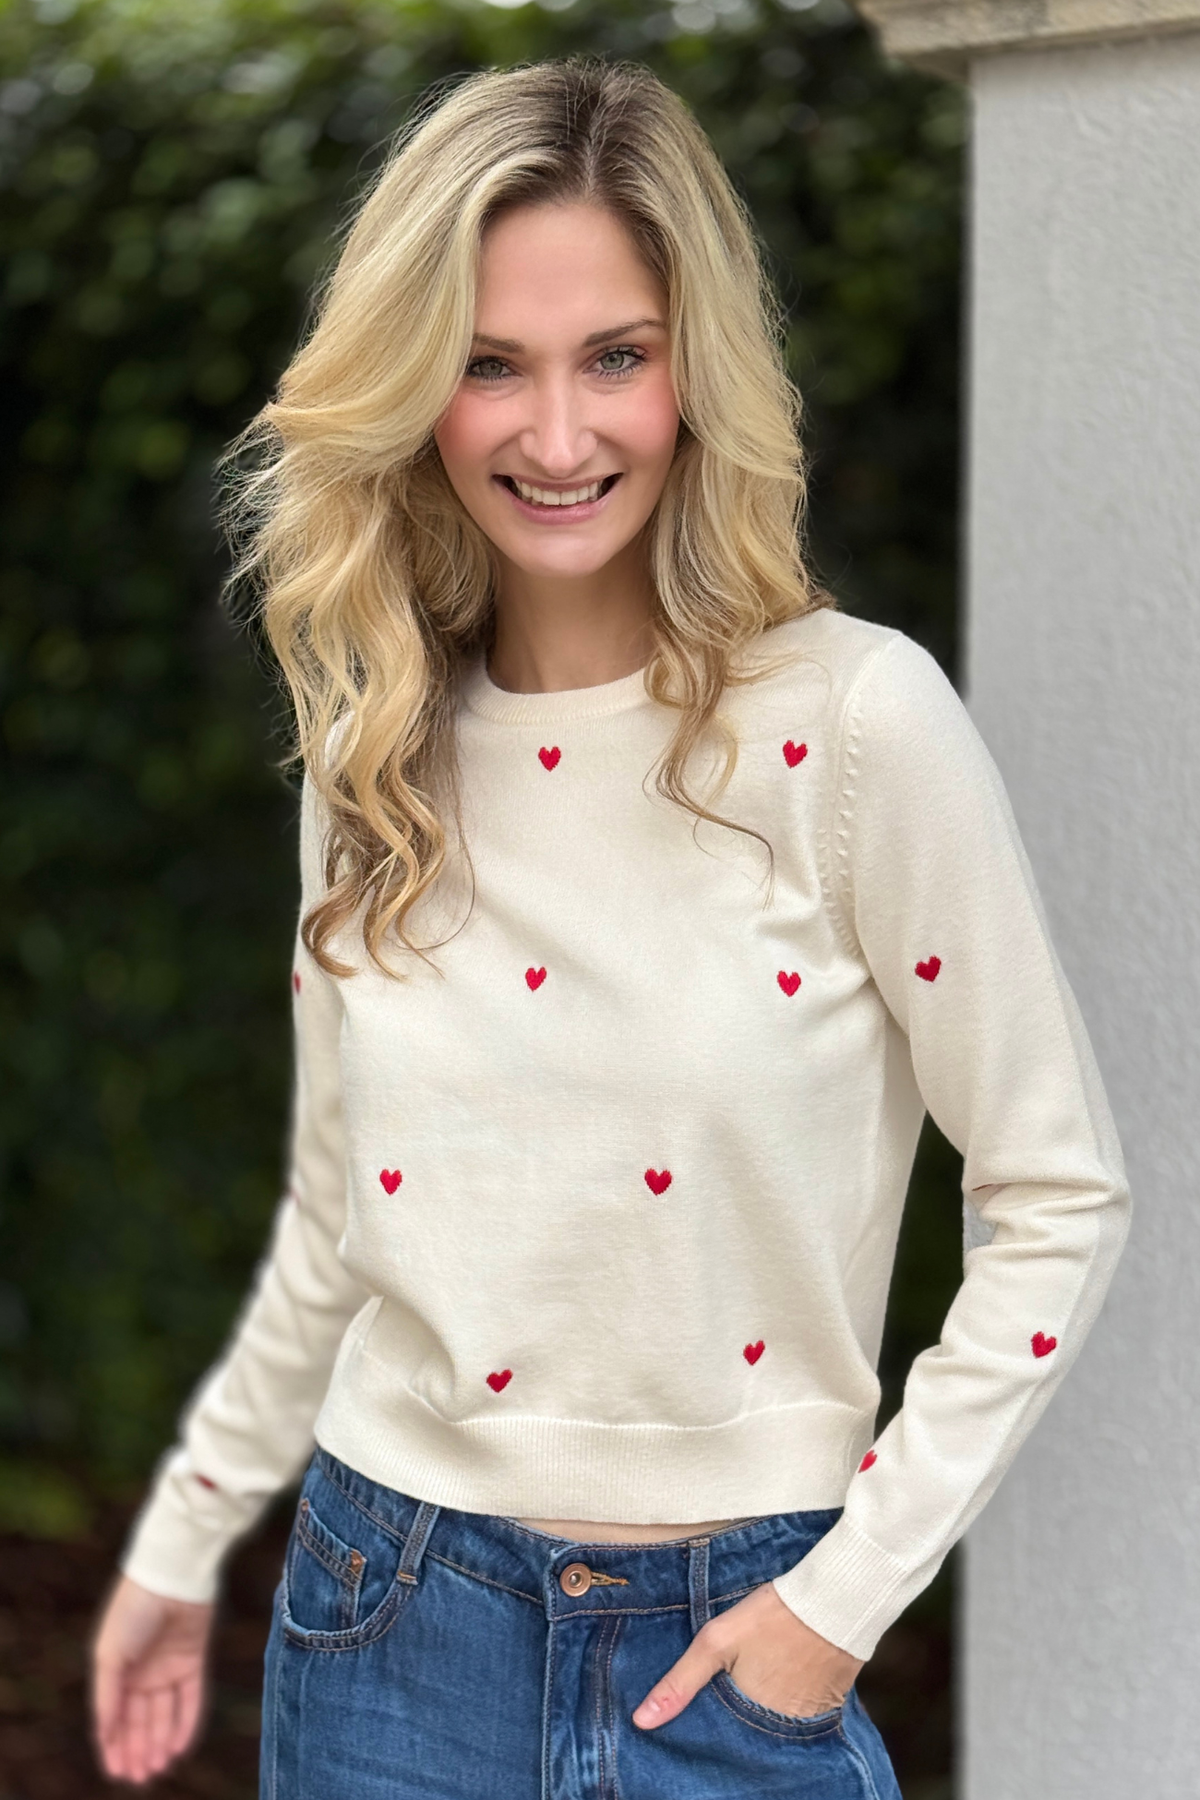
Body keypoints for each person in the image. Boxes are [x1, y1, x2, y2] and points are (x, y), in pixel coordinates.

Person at [89, 56, 1131, 1798]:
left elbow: (1058, 1193)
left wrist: (840, 1605)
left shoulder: (856, 726)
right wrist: (182, 1535)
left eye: (615, 358)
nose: (556, 437)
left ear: (694, 372)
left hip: (744, 1646)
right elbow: (341, 1214)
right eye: (489, 363)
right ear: (415, 387)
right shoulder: (373, 754)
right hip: (387, 1632)